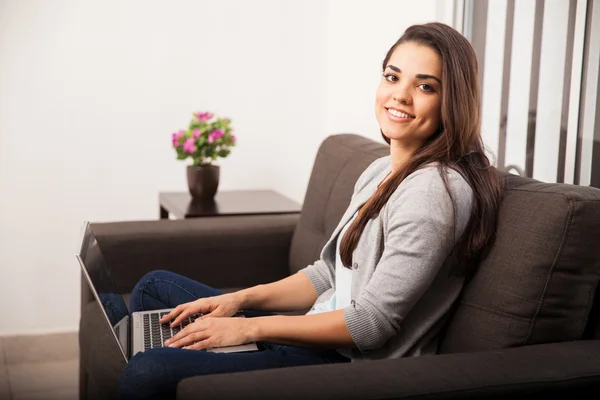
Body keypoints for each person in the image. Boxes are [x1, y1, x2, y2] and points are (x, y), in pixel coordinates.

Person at [117, 22, 503, 399]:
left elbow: (371, 325)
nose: (400, 95)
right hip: (308, 332)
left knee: (147, 370)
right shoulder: (382, 170)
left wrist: (249, 330)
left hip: (343, 364)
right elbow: (328, 274)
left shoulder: (434, 192)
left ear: (452, 101)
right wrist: (239, 300)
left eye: (424, 86)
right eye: (392, 77)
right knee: (155, 288)